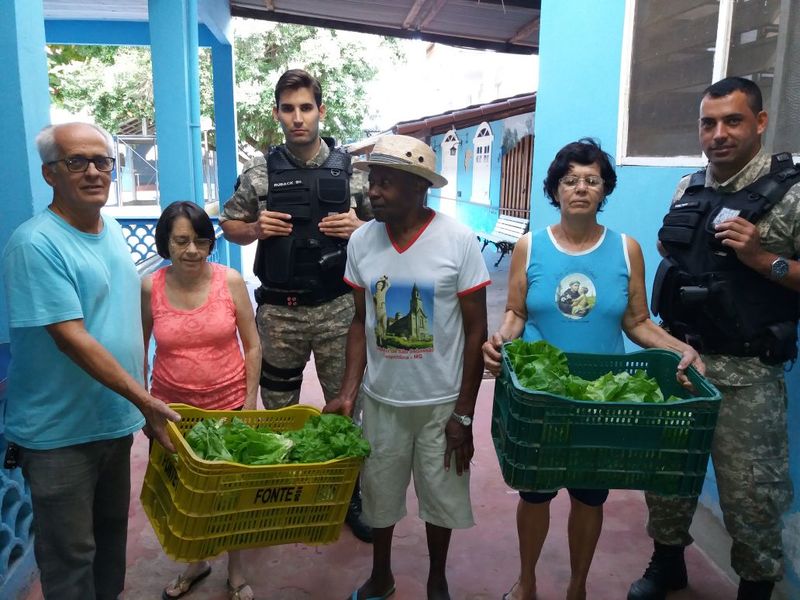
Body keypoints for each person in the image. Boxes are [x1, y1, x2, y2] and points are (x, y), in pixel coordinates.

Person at [482, 138, 704, 600]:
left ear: (604, 190)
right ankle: (527, 581)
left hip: (601, 400)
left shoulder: (626, 250)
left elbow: (638, 321)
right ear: (555, 190)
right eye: (570, 180)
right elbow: (518, 313)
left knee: (589, 496)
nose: (580, 188)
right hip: (543, 399)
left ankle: (578, 587)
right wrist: (500, 338)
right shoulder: (530, 247)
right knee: (535, 494)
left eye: (591, 180)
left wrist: (678, 346)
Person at [629, 78, 800, 600]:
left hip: (748, 376)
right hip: (681, 362)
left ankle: (754, 588)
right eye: (709, 123)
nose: (719, 133)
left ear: (760, 122)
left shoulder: (792, 193)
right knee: (669, 478)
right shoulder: (688, 187)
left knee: (752, 494)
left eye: (733, 121)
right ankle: (668, 564)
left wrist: (761, 258)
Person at [1, 122, 180, 599]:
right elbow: (71, 339)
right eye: (76, 162)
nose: (94, 172)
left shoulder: (114, 230)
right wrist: (144, 398)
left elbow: (123, 323)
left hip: (111, 423)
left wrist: (138, 404)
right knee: (71, 557)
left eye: (103, 161)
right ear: (49, 174)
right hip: (59, 435)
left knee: (109, 544)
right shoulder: (35, 243)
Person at [325, 134, 490, 600]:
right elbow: (361, 321)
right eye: (373, 181)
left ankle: (437, 579)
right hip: (383, 401)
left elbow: (476, 332)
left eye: (386, 183)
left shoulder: (457, 241)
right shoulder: (361, 241)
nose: (373, 192)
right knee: (379, 494)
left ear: (419, 188)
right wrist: (349, 392)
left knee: (442, 497)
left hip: (440, 403)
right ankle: (382, 575)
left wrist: (464, 413)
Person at [219, 68, 372, 542]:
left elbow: (385, 229)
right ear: (277, 113)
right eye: (288, 109)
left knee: (344, 404)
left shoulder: (354, 172)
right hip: (280, 312)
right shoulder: (260, 172)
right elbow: (229, 224)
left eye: (306, 107)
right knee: (279, 406)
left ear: (320, 110)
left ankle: (348, 494)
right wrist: (256, 229)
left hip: (336, 309)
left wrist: (360, 229)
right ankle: (284, 490)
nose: (298, 118)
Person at [141, 201, 261, 600]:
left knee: (231, 492)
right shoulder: (150, 287)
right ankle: (196, 562)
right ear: (166, 243)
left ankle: (237, 572)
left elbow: (254, 345)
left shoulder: (229, 281)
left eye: (200, 240)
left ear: (211, 244)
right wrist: (144, 405)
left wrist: (248, 402)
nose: (191, 250)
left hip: (228, 405)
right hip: (173, 412)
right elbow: (138, 348)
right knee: (186, 493)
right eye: (181, 241)